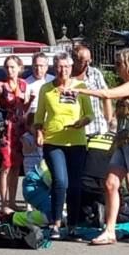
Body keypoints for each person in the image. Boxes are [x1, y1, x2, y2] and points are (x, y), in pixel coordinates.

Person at [75, 48, 129, 246]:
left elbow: (107, 94)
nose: (117, 69)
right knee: (110, 184)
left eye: (119, 65)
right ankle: (109, 231)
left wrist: (79, 89)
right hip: (122, 141)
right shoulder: (128, 85)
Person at [33, 52, 93, 239]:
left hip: (76, 142)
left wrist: (82, 122)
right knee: (60, 181)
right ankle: (56, 224)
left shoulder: (80, 87)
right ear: (54, 68)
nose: (63, 70)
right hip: (53, 142)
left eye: (66, 67)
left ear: (71, 68)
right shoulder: (46, 89)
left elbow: (90, 114)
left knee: (75, 185)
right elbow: (38, 117)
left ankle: (73, 225)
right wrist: (39, 133)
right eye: (59, 67)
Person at [0, 55, 28, 214]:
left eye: (13, 67)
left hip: (19, 130)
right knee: (5, 165)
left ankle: (12, 201)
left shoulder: (24, 84)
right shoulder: (0, 86)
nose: (10, 70)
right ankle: (4, 202)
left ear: (20, 68)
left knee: (16, 166)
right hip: (6, 130)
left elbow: (26, 108)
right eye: (7, 67)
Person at [72, 44, 113, 135]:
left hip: (96, 126)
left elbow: (106, 96)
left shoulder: (95, 73)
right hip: (75, 128)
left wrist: (109, 120)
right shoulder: (67, 76)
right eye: (83, 62)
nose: (87, 64)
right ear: (74, 60)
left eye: (89, 61)